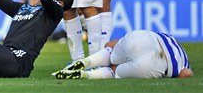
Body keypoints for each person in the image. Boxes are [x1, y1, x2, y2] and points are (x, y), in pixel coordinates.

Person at [54, 30, 193, 79]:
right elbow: (186, 74)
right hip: (157, 65)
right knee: (114, 72)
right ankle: (86, 75)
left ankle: (86, 62)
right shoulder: (184, 62)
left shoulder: (166, 36)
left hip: (143, 38)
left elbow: (108, 45)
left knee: (109, 51)